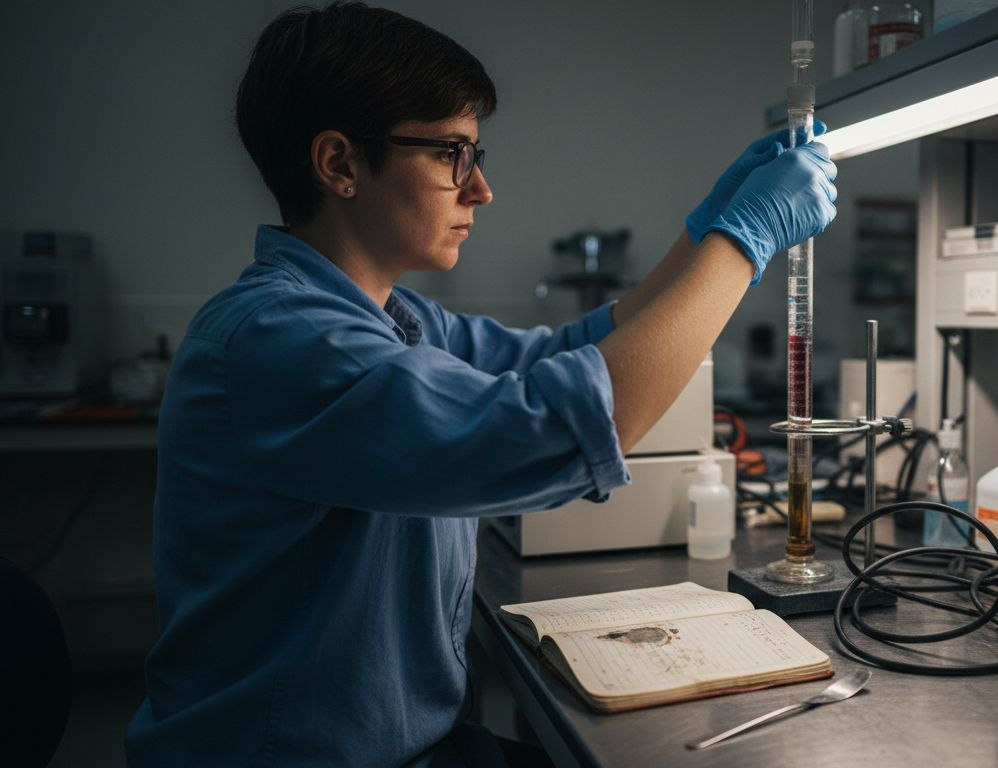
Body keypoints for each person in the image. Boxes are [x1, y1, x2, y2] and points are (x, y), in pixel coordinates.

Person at [123, 3, 837, 766]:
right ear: (339, 164)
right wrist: (743, 242)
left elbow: (573, 349)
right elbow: (559, 424)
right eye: (452, 155)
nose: (481, 189)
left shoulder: (395, 319)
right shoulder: (281, 340)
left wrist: (704, 231)